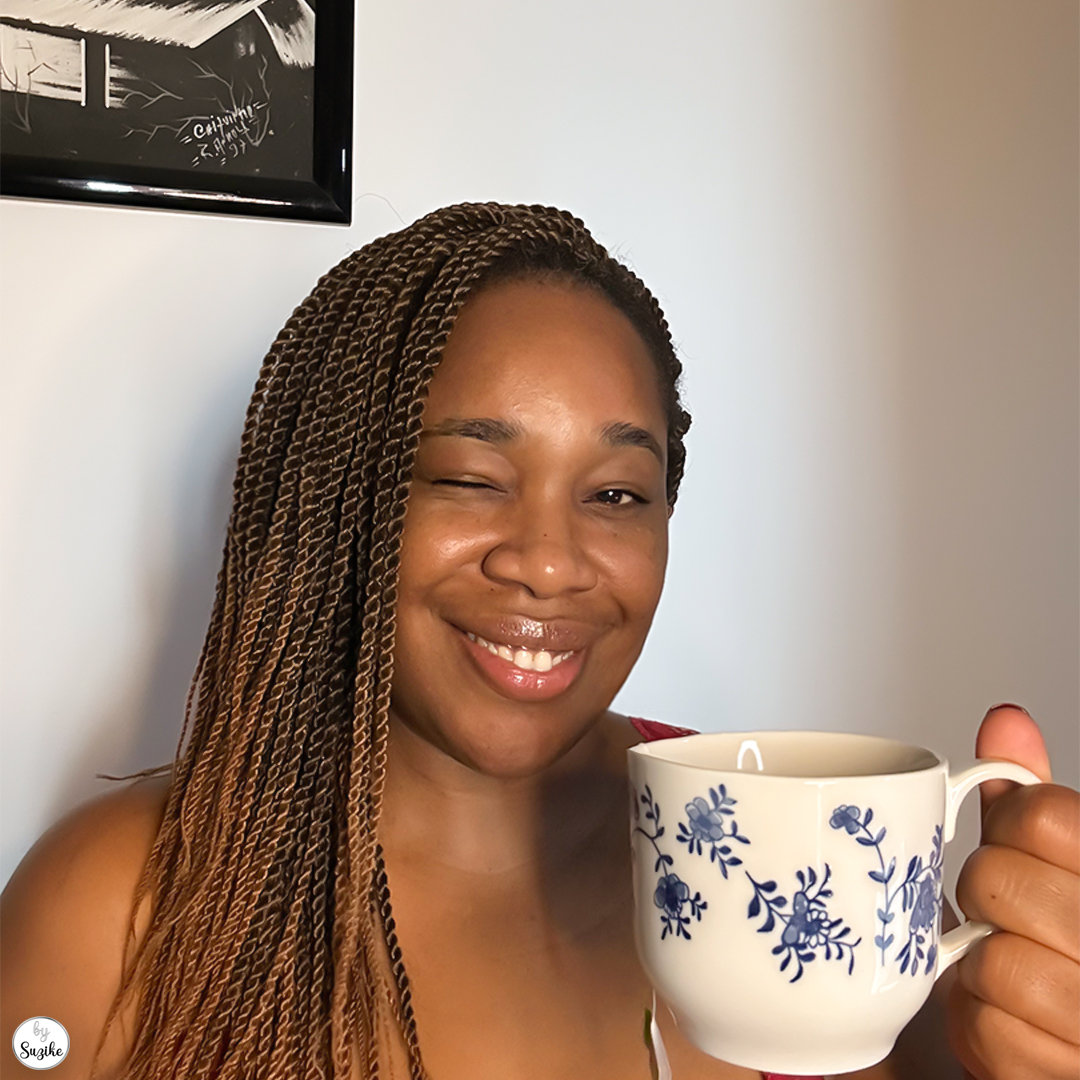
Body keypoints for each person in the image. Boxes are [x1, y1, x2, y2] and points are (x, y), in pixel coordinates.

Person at [1, 203, 1076, 1080]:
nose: (551, 564)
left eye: (615, 493)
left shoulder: (801, 856)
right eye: (471, 479)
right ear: (336, 501)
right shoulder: (114, 907)